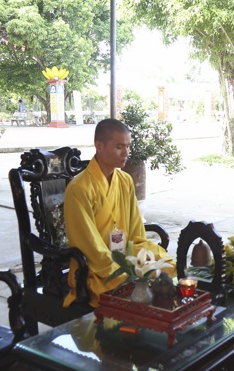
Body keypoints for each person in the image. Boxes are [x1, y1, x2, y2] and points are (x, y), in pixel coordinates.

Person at [63, 118, 175, 307]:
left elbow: (136, 235)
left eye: (128, 146)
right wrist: (128, 272)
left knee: (168, 266)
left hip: (127, 257)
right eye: (119, 147)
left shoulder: (125, 181)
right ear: (99, 146)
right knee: (133, 284)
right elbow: (90, 247)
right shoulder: (79, 188)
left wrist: (145, 261)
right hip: (97, 268)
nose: (126, 153)